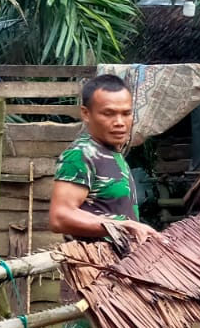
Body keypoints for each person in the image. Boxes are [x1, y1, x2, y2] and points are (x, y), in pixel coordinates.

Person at [49, 75, 158, 244]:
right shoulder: (81, 154)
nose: (120, 122)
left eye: (126, 113)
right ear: (86, 113)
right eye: (109, 113)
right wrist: (122, 226)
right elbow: (60, 217)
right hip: (96, 266)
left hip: (121, 265)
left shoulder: (111, 152)